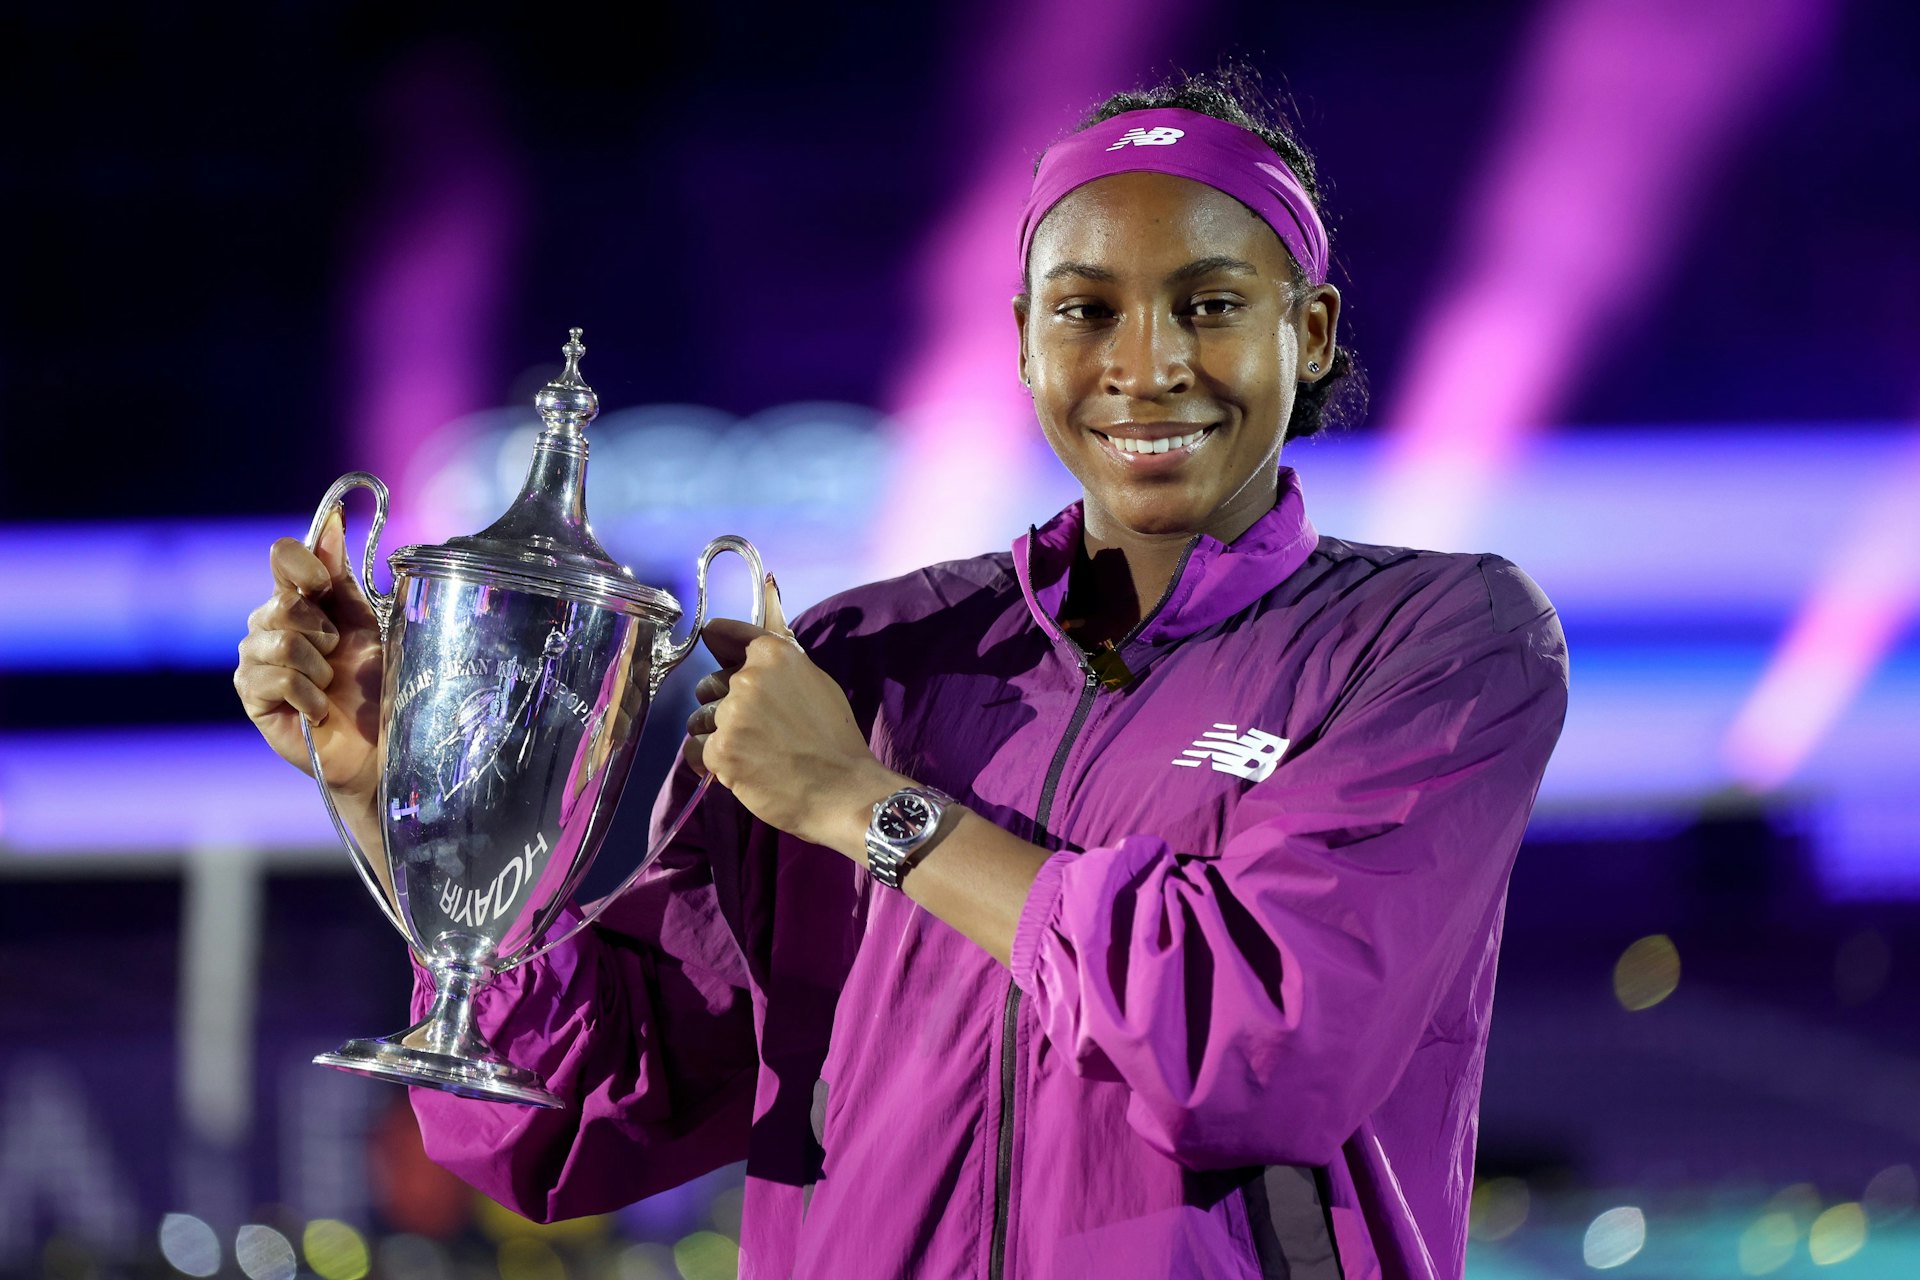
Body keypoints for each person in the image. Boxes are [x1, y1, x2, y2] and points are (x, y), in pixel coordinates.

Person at [236, 70, 1568, 1280]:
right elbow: (579, 1117)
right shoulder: (864, 659)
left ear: (1311, 332)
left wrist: (866, 807)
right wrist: (414, 800)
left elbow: (1258, 1050)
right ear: (1027, 341)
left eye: (1211, 306)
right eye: (1086, 311)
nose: (1147, 364)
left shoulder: (1434, 638)